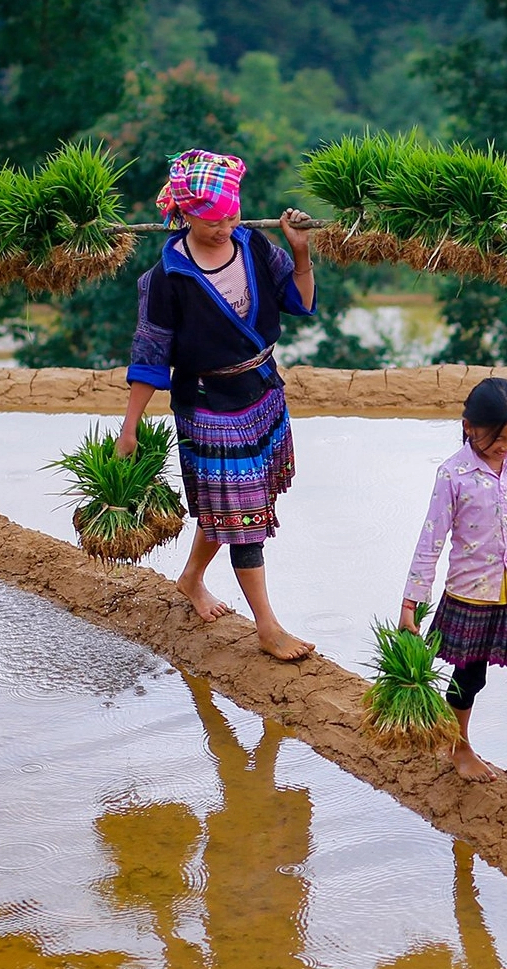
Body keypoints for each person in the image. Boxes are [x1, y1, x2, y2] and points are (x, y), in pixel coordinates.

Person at [119, 148, 318, 662]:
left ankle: (190, 579)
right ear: (184, 214)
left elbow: (298, 301)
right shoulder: (167, 277)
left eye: (231, 215)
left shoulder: (253, 244)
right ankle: (268, 628)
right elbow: (149, 354)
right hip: (209, 405)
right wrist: (130, 427)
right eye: (212, 221)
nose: (225, 226)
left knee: (235, 507)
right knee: (244, 513)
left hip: (261, 390)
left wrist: (300, 251)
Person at [401, 377, 507, 826]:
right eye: (499, 437)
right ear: (469, 428)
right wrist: (410, 603)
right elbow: (430, 540)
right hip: (471, 595)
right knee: (467, 679)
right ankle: (460, 748)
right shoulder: (452, 474)